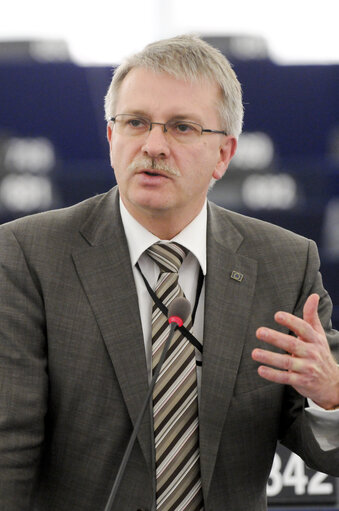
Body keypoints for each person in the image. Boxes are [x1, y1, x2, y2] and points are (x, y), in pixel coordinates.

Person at [0, 34, 338, 511]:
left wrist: (331, 396)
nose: (153, 145)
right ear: (112, 136)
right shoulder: (28, 254)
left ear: (224, 154)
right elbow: (7, 446)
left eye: (182, 128)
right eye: (136, 122)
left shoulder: (286, 263)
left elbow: (324, 450)